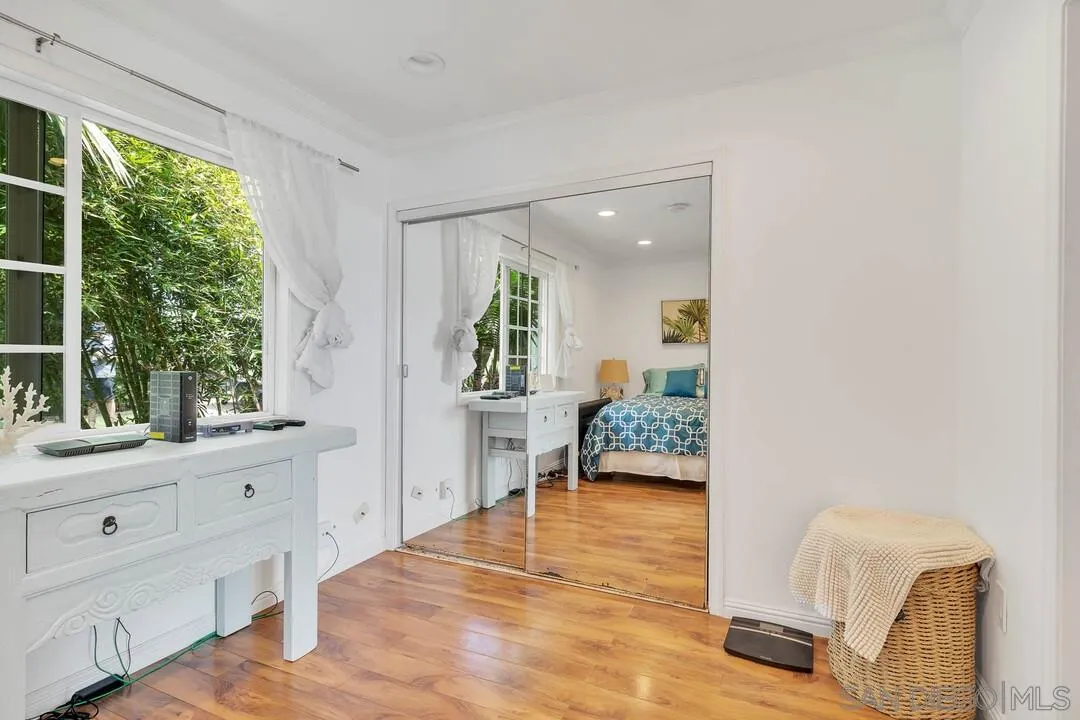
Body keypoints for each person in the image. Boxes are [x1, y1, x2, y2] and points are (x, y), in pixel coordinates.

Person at [84, 323, 117, 427]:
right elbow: (85, 351)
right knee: (91, 401)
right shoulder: (87, 341)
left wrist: (94, 351)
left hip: (106, 373)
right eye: (95, 332)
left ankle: (112, 424)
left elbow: (106, 353)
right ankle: (91, 426)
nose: (96, 334)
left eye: (98, 331)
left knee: (109, 398)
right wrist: (93, 351)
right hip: (90, 374)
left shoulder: (110, 339)